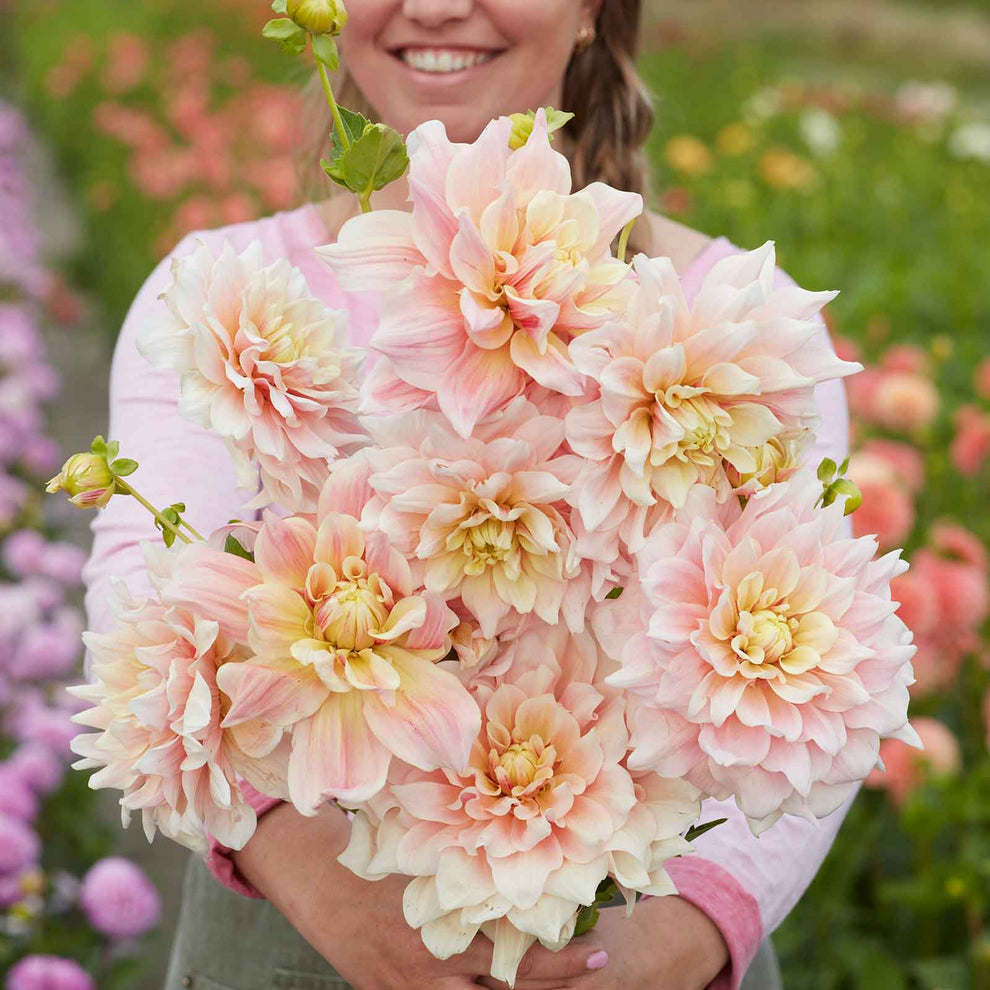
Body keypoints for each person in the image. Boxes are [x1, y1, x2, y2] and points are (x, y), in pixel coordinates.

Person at [82, 2, 854, 988]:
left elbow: (819, 679)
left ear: (592, 12)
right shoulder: (219, 293)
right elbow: (141, 614)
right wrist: (322, 884)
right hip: (299, 936)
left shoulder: (744, 323)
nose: (438, 5)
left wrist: (672, 942)